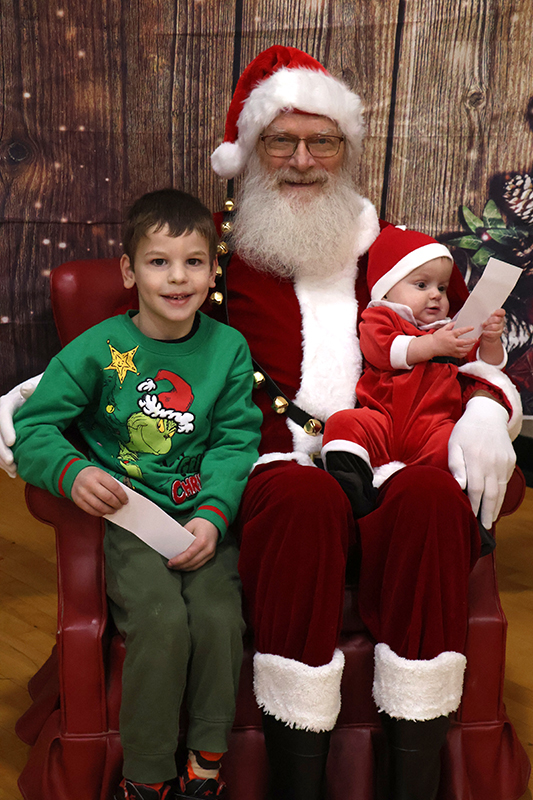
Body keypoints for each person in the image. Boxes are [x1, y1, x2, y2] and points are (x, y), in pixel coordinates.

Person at [0, 47, 523, 800]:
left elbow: (466, 341)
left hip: (393, 448)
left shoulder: (400, 252)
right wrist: (35, 398)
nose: (302, 161)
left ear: (346, 149)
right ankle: (295, 772)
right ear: (250, 149)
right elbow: (135, 348)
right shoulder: (207, 254)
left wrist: (485, 410)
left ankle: (413, 775)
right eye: (282, 141)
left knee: (434, 500)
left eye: (322, 142)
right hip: (269, 462)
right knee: (301, 501)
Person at [10, 189, 262, 800]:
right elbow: (33, 427)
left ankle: (206, 761)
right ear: (129, 271)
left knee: (219, 619)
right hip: (130, 521)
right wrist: (73, 473)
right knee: (160, 620)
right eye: (158, 262)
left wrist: (214, 515)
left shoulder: (228, 350)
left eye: (194, 262)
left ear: (212, 271)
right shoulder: (97, 350)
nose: (177, 277)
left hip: (200, 521)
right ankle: (146, 776)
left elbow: (235, 441)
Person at [321, 224, 508, 520]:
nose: (436, 295)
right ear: (387, 290)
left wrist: (490, 340)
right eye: (422, 285)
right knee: (343, 423)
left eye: (442, 288)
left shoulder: (451, 330)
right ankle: (354, 491)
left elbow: (486, 367)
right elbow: (382, 350)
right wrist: (432, 345)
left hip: (433, 426)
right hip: (382, 419)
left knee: (457, 447)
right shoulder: (380, 316)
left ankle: (463, 512)